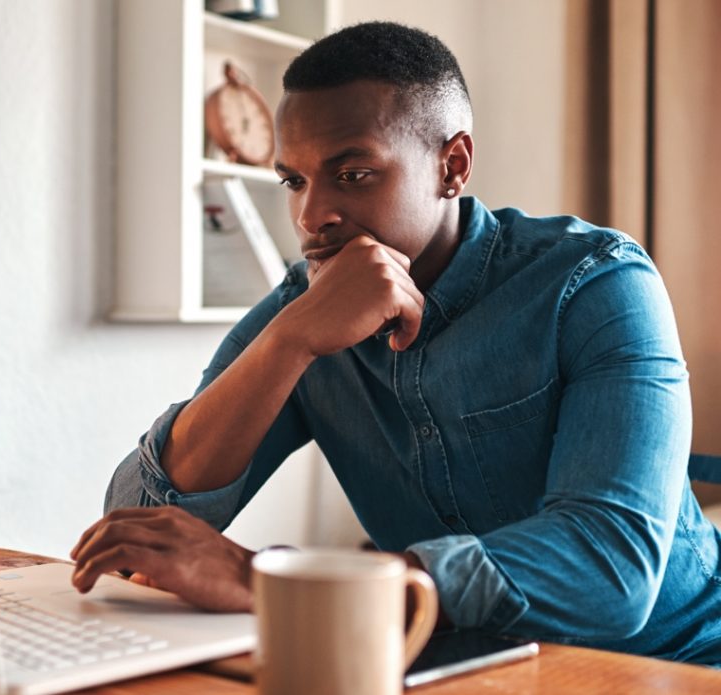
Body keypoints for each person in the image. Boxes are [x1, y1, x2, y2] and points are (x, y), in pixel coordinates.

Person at [71, 22, 721, 664]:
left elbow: (611, 570)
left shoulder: (595, 282)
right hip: (451, 663)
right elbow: (135, 521)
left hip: (669, 661)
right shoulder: (305, 309)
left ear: (452, 164)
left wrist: (270, 578)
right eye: (293, 180)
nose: (309, 215)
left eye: (351, 174)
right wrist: (288, 341)